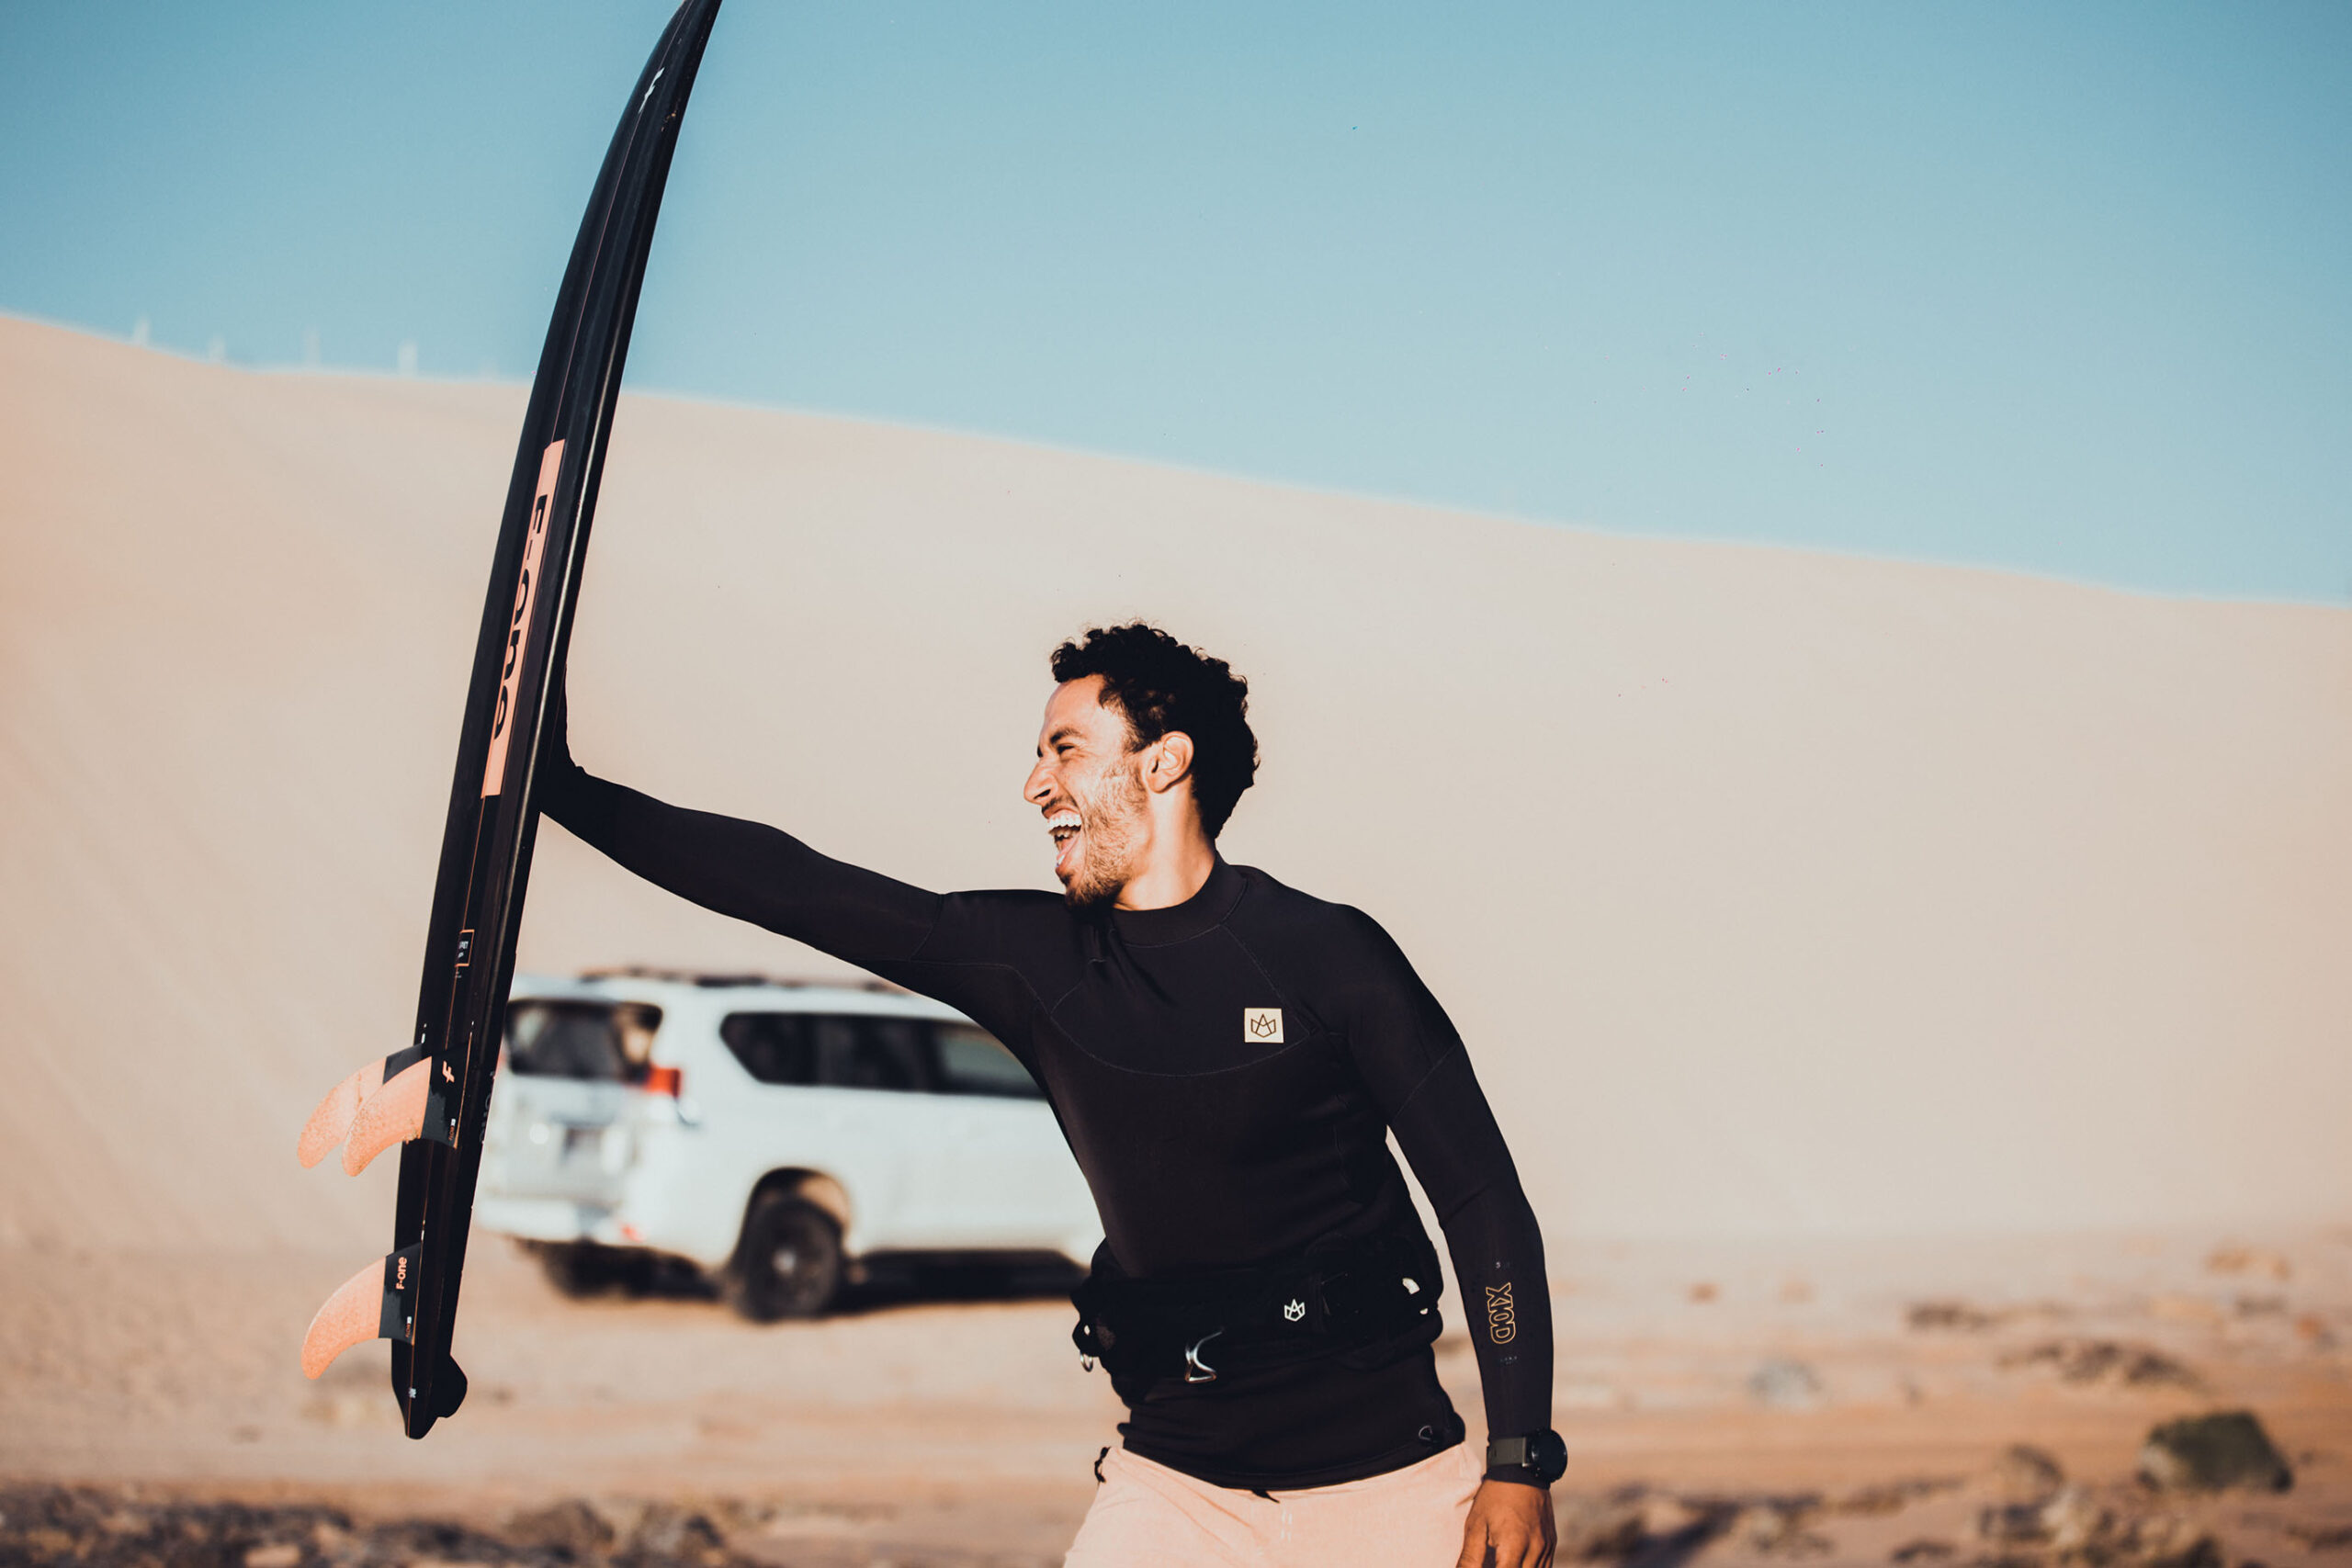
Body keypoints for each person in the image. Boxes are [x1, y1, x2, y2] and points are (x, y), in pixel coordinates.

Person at [540, 622, 1561, 1568]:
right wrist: (567, 792)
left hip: (1389, 1490)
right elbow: (797, 886)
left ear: (1162, 762)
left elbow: (1481, 1200)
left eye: (1065, 749)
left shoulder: (1327, 957)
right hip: (1175, 1492)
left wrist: (1517, 1459)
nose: (1034, 783)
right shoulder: (1039, 962)